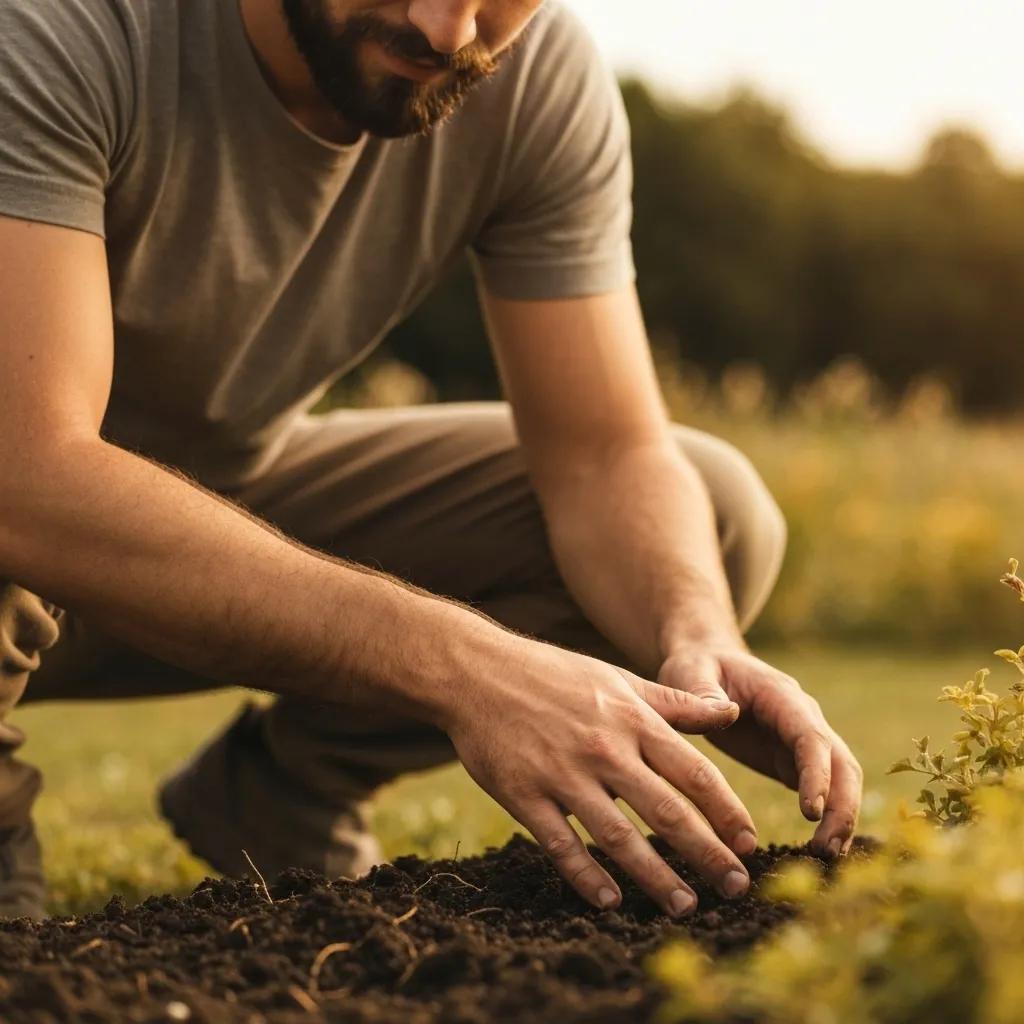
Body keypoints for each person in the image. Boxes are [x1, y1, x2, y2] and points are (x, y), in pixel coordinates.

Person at [0, 0, 862, 921]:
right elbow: (27, 473)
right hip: (27, 510)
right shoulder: (59, 28)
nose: (451, 34)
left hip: (205, 501)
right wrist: (464, 666)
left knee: (711, 519)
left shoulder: (534, 82)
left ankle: (278, 791)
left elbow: (604, 454)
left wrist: (698, 637)